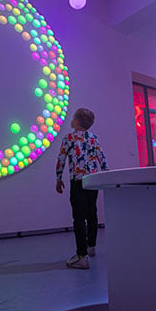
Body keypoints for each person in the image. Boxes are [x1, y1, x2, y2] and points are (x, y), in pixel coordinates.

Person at [56, 107, 108, 269]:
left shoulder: (68, 138)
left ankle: (81, 255)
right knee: (92, 213)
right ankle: (91, 246)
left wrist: (58, 178)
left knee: (78, 217)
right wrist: (106, 175)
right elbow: (102, 157)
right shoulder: (93, 138)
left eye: (72, 117)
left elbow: (61, 160)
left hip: (77, 182)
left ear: (76, 121)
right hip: (92, 181)